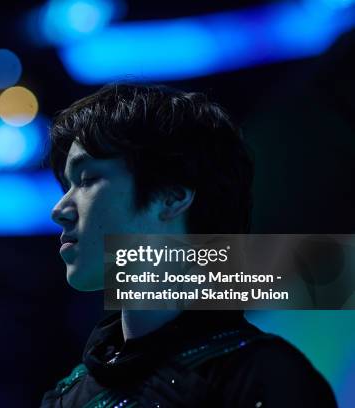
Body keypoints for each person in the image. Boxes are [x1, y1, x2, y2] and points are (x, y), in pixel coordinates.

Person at [41, 84, 337, 407]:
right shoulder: (64, 397)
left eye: (87, 180)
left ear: (172, 195)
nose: (59, 210)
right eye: (67, 185)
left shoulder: (270, 380)